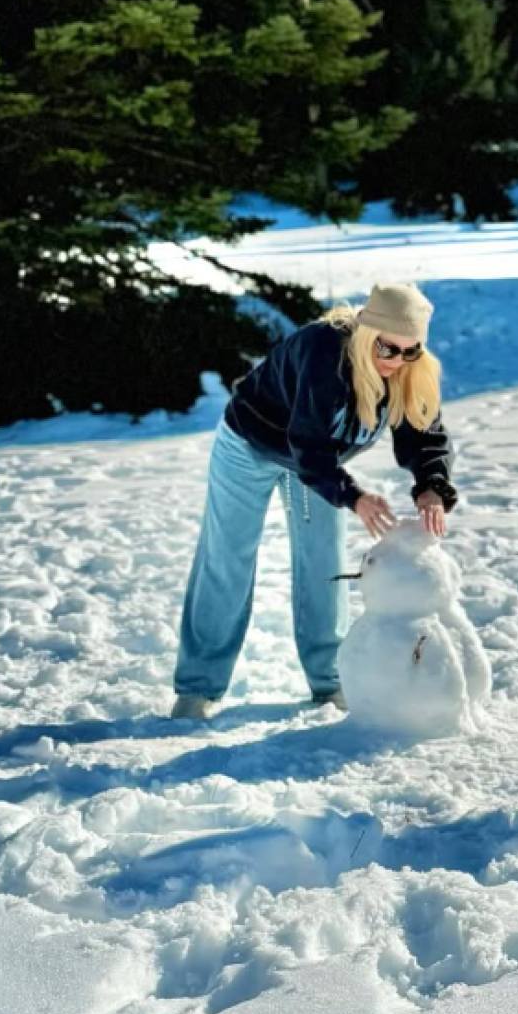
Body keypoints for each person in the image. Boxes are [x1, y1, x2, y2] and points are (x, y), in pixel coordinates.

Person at [170, 282, 457, 721]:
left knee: (322, 561)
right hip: (250, 447)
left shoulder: (407, 373)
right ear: (365, 333)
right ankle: (198, 687)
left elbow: (424, 435)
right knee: (228, 557)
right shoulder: (324, 352)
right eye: (387, 348)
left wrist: (432, 485)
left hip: (317, 461)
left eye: (409, 351)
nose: (396, 361)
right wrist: (353, 496)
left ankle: (328, 682)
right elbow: (308, 443)